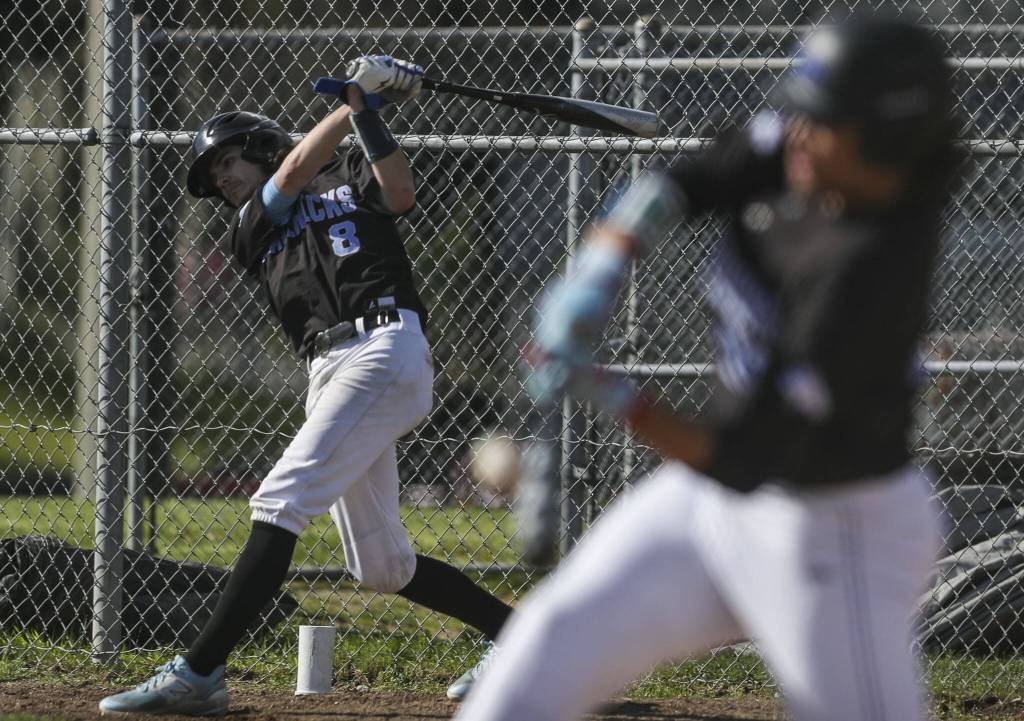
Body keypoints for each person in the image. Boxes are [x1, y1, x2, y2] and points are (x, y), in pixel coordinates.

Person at [455, 16, 956, 721]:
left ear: (886, 140)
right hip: (708, 505)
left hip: (836, 529)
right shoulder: (825, 154)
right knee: (530, 666)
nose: (797, 137)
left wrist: (615, 394)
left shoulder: (869, 272)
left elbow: (746, 452)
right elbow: (691, 177)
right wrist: (603, 261)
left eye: (823, 124)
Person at [99, 55, 511, 716]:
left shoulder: (349, 171)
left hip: (384, 347)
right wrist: (355, 100)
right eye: (215, 173)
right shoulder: (251, 226)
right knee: (381, 566)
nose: (225, 176)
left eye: (231, 160)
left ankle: (200, 671)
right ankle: (518, 639)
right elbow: (292, 172)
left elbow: (400, 194)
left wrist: (367, 114)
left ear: (261, 144)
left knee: (279, 497)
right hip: (331, 369)